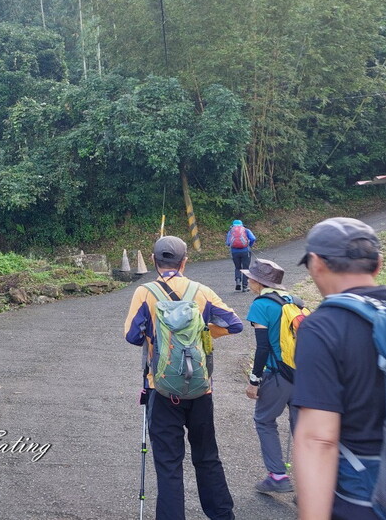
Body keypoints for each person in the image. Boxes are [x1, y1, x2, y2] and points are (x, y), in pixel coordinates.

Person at [125, 235, 243, 520]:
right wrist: (203, 331)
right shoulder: (202, 291)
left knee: (169, 464)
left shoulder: (144, 292)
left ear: (153, 261)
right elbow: (234, 324)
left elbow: (132, 336)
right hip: (200, 389)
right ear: (184, 262)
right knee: (207, 455)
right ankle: (222, 515)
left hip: (162, 388)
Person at [292, 217, 386, 519]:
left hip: (363, 500)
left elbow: (319, 440)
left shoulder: (323, 327)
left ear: (317, 263)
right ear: (378, 264)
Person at [241, 257, 297, 494]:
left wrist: (254, 381)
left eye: (250, 278)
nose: (248, 281)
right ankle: (311, 485)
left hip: (277, 374)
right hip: (302, 374)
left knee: (264, 420)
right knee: (302, 429)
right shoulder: (294, 301)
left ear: (259, 282)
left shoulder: (261, 305)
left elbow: (263, 348)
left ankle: (278, 476)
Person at [226, 219, 256, 292]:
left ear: (233, 225)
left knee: (237, 267)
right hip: (245, 251)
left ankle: (238, 282)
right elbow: (253, 238)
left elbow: (228, 243)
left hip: (234, 252)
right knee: (246, 268)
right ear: (242, 225)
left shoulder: (231, 231)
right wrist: (249, 245)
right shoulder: (246, 230)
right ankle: (245, 286)